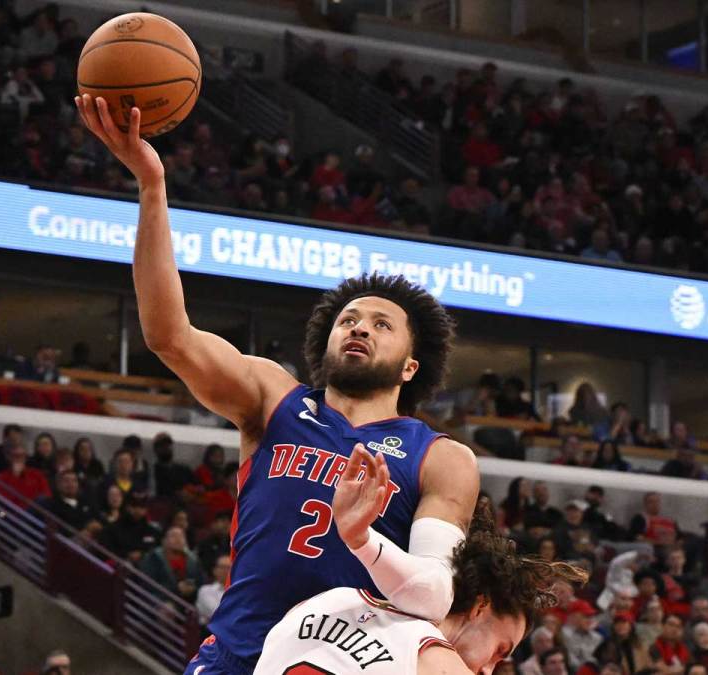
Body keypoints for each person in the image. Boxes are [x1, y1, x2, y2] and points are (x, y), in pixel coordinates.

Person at [87, 90, 478, 674]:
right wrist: (151, 187)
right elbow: (170, 336)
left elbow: (429, 594)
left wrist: (362, 540)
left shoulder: (440, 460)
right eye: (348, 319)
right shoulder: (275, 398)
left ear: (410, 366)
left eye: (380, 324)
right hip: (235, 658)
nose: (359, 328)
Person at [253, 457, 586, 675]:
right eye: (499, 651)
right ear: (479, 607)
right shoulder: (440, 665)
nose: (489, 669)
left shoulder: (320, 602)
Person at [139, 526, 204, 603]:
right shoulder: (153, 558)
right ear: (164, 541)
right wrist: (176, 588)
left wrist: (193, 589)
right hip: (160, 601)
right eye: (174, 536)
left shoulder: (193, 560)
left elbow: (201, 582)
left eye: (181, 536)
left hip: (189, 601)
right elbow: (148, 585)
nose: (178, 539)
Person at [0, 442, 50, 507]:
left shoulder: (37, 475)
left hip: (33, 513)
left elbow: (46, 496)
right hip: (11, 513)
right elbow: (2, 500)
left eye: (22, 456)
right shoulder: (1, 477)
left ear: (26, 457)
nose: (19, 459)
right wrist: (15, 476)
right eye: (16, 456)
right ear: (9, 457)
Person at [196, 555, 229, 626]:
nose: (226, 571)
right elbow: (217, 613)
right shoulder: (205, 590)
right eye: (222, 567)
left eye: (229, 568)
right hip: (210, 632)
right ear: (215, 570)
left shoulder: (241, 591)